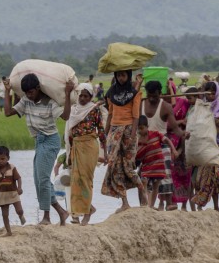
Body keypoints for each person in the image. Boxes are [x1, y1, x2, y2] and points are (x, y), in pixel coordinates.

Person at [4, 75, 73, 224]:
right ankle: (61, 212)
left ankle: (47, 217)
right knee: (38, 181)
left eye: (31, 92)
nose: (29, 95)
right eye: (26, 92)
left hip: (50, 141)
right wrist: (7, 91)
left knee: (42, 179)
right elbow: (8, 112)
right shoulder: (26, 101)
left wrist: (67, 94)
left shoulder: (49, 102)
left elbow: (66, 116)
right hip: (39, 142)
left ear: (37, 88)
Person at [101, 71, 145, 213]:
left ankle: (142, 191)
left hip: (128, 130)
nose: (121, 78)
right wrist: (104, 134)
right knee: (114, 165)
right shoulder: (112, 93)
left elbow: (136, 116)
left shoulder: (135, 93)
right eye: (118, 75)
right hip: (114, 131)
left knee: (128, 166)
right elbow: (110, 115)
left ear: (128, 76)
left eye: (123, 75)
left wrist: (132, 135)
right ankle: (125, 202)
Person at [66, 83, 106, 224]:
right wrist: (69, 151)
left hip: (90, 145)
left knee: (86, 179)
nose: (82, 98)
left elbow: (101, 131)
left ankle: (87, 212)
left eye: (86, 96)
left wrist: (105, 152)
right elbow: (70, 133)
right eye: (80, 95)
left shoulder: (94, 109)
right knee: (75, 179)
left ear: (90, 97)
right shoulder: (74, 110)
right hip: (76, 146)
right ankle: (76, 213)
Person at [189, 82, 219, 211]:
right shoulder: (202, 107)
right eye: (208, 93)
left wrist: (216, 123)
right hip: (206, 146)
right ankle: (215, 206)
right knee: (208, 177)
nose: (211, 96)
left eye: (213, 93)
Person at [135, 115, 176, 210]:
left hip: (158, 165)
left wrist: (173, 150)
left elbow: (167, 140)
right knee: (144, 183)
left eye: (142, 128)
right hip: (146, 166)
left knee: (155, 186)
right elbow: (138, 155)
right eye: (138, 129)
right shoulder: (138, 141)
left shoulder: (156, 134)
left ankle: (151, 206)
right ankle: (145, 205)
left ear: (147, 126)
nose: (140, 131)